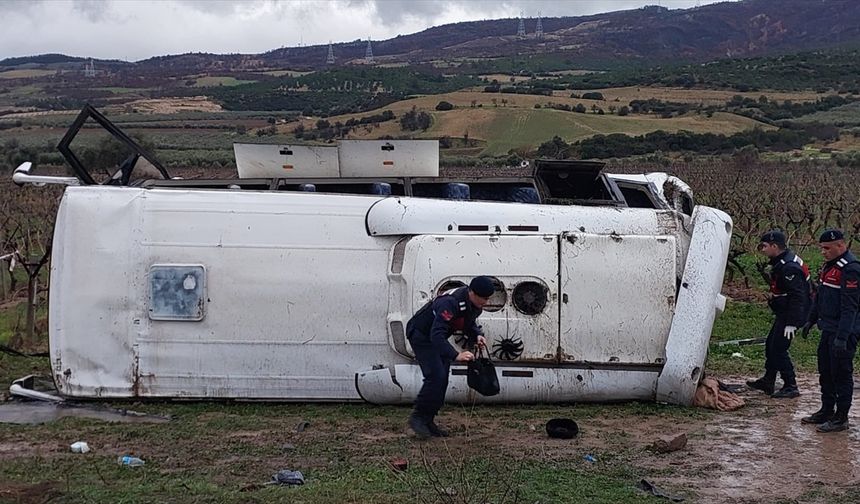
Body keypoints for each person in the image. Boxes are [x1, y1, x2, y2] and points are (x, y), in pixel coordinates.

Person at [405, 276, 493, 438]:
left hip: (436, 338)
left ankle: (428, 420)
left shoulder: (474, 304)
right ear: (472, 292)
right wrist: (456, 355)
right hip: (421, 335)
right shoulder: (450, 303)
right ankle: (418, 417)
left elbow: (467, 322)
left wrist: (477, 336)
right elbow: (436, 335)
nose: (486, 302)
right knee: (435, 375)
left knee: (443, 377)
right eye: (483, 298)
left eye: (488, 298)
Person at [800, 229, 860, 433]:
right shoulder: (829, 266)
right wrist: (811, 319)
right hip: (828, 329)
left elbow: (850, 307)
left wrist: (843, 337)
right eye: (821, 248)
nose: (823, 252)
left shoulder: (850, 269)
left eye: (827, 248)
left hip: (843, 331)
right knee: (825, 372)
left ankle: (841, 417)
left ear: (840, 246)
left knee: (841, 374)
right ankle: (826, 410)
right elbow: (821, 295)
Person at [746, 230, 810, 399]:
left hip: (791, 314)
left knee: (779, 348)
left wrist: (792, 322)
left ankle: (791, 385)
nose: (762, 250)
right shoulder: (783, 261)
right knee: (770, 344)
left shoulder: (789, 267)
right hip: (785, 312)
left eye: (765, 246)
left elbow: (799, 297)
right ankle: (769, 379)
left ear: (775, 246)